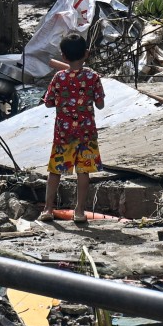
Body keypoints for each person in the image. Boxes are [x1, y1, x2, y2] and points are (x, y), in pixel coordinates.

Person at [38, 34, 104, 224]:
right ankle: (80, 211)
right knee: (83, 171)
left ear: (63, 57)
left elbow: (48, 103)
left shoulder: (59, 77)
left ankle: (48, 209)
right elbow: (100, 105)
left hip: (63, 134)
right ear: (86, 54)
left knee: (55, 171)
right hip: (86, 134)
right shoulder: (93, 77)